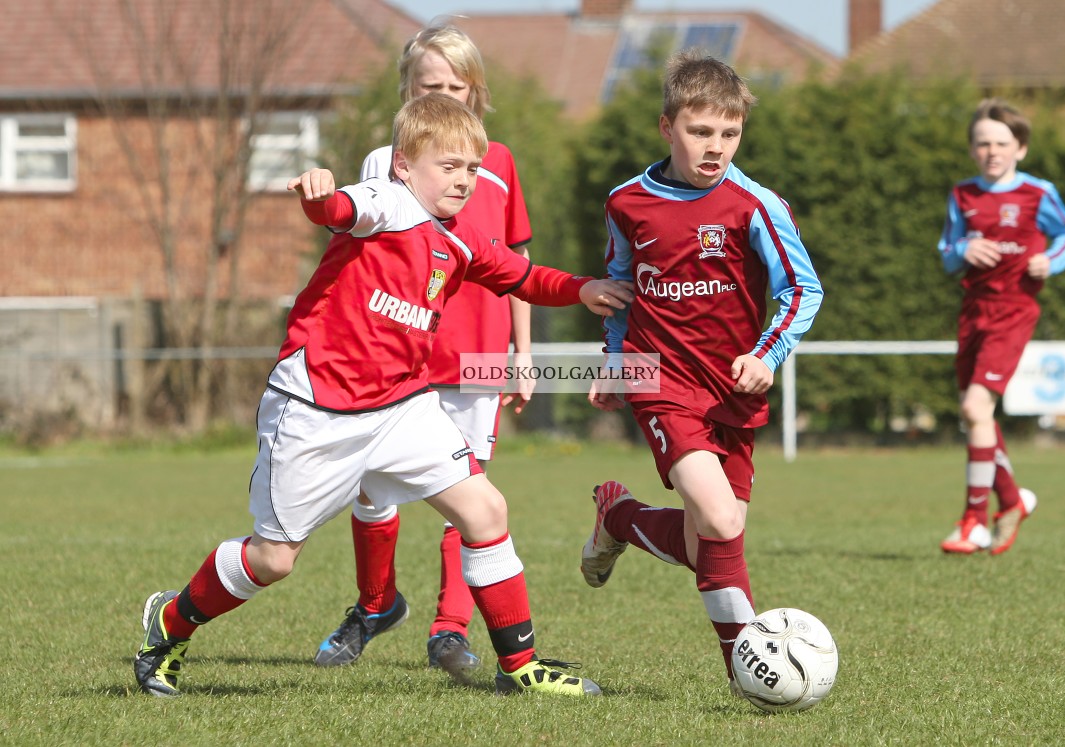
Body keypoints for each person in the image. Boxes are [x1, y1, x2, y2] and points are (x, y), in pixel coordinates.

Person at [133, 93, 633, 698]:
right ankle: (170, 623)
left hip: (402, 407)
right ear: (403, 164)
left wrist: (585, 290)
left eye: (472, 169)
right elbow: (341, 209)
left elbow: (523, 277)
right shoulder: (387, 202)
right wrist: (320, 194)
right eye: (448, 166)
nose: (463, 180)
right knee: (273, 561)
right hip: (317, 410)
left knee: (486, 511)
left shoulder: (462, 239)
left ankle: (520, 668)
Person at [579, 50, 824, 698]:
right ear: (667, 126)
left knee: (708, 538)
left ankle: (620, 515)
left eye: (730, 132)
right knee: (719, 518)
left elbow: (803, 289)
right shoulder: (628, 202)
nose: (716, 147)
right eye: (700, 131)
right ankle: (751, 672)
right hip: (660, 380)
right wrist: (614, 361)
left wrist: (766, 354)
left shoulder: (756, 204)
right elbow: (619, 289)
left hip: (734, 390)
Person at [312, 22, 536, 678]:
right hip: (399, 355)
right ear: (407, 94)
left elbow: (518, 260)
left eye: (456, 86)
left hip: (478, 354)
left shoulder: (500, 163)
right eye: (428, 85)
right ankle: (376, 602)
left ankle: (449, 629)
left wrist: (523, 352)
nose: (444, 95)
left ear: (477, 92)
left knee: (467, 493)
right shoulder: (385, 165)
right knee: (369, 487)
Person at [937, 98, 1065, 555]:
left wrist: (1048, 261)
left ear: (1020, 148)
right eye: (983, 143)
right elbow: (946, 252)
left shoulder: (1038, 193)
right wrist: (963, 251)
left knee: (977, 408)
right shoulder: (962, 195)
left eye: (1001, 143)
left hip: (1014, 310)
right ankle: (1014, 500)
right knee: (975, 414)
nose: (992, 151)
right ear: (972, 150)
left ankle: (973, 520)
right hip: (973, 309)